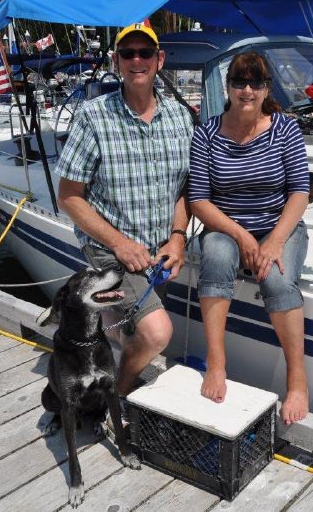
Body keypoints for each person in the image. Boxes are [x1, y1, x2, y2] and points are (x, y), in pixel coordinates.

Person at [55, 22, 193, 398]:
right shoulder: (93, 116)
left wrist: (178, 238)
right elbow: (68, 196)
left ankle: (108, 330)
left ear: (159, 60)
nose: (137, 60)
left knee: (142, 330)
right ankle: (116, 395)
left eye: (145, 53)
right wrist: (120, 244)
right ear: (116, 62)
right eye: (128, 54)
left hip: (159, 248)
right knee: (157, 333)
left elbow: (184, 188)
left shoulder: (181, 119)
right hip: (110, 246)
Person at [188, 52, 310, 425]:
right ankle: (217, 365)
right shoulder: (207, 133)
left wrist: (273, 241)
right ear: (227, 87)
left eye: (255, 82)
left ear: (266, 89)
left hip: (279, 226)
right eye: (239, 81)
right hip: (227, 227)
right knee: (218, 257)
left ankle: (298, 381)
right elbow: (198, 200)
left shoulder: (285, 129)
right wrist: (241, 235)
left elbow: (300, 192)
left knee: (275, 277)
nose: (247, 90)